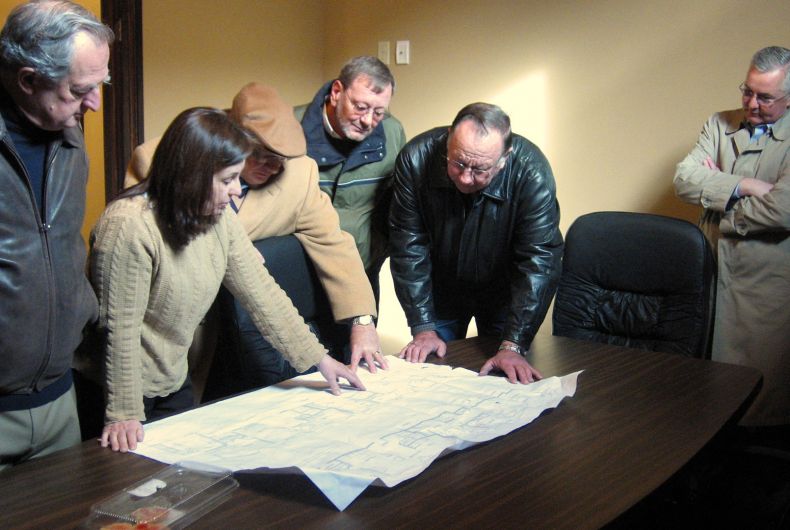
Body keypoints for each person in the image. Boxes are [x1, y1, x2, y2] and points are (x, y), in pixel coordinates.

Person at [83, 107, 364, 453]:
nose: (236, 191)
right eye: (228, 179)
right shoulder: (129, 226)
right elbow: (119, 329)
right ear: (193, 174)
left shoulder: (217, 220)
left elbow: (263, 294)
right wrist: (123, 412)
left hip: (171, 376)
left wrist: (320, 360)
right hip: (118, 388)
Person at [125, 83, 387, 392]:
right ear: (233, 141)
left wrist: (362, 322)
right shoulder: (157, 159)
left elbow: (334, 244)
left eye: (280, 161)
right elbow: (143, 248)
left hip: (252, 326)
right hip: (176, 330)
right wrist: (226, 249)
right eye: (260, 157)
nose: (271, 167)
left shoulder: (299, 175)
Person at [0, 0, 112, 470]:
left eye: (100, 85)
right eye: (80, 90)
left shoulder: (69, 132)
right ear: (28, 80)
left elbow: (62, 245)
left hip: (59, 397)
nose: (94, 104)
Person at [389, 102, 563, 384]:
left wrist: (514, 344)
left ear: (504, 158)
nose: (466, 178)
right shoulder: (416, 158)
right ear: (448, 141)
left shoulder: (531, 172)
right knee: (428, 373)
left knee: (503, 378)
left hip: (503, 292)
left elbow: (539, 261)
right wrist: (422, 326)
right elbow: (409, 246)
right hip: (441, 289)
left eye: (480, 169)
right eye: (457, 163)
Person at [674, 46, 790, 427]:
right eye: (747, 91)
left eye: (765, 97)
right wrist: (747, 184)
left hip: (764, 289)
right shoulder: (718, 124)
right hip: (709, 275)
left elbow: (783, 209)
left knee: (760, 405)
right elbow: (684, 180)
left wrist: (718, 205)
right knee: (703, 395)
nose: (752, 104)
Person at [295, 56, 407, 302]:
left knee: (360, 337)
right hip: (301, 268)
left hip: (363, 267)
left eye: (379, 112)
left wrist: (382, 248)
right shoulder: (291, 128)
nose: (368, 121)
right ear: (337, 92)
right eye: (360, 107)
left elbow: (398, 198)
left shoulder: (392, 131)